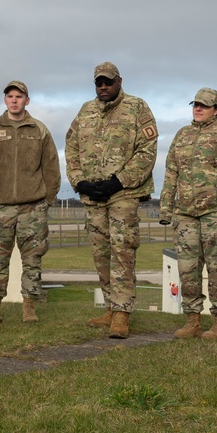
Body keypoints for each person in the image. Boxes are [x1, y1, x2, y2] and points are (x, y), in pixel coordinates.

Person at [65, 62, 157, 339]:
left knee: (122, 252)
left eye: (108, 82)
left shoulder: (137, 107)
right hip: (93, 195)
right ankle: (110, 306)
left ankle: (122, 313)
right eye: (98, 83)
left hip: (123, 194)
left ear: (119, 81)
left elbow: (147, 151)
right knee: (101, 253)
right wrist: (79, 181)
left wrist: (118, 182)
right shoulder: (86, 111)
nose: (103, 87)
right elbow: (71, 148)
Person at [159, 88, 217, 340]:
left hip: (216, 212)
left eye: (204, 106)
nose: (198, 109)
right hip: (185, 213)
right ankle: (192, 319)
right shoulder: (182, 135)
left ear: (216, 109)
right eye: (195, 104)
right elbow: (171, 171)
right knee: (187, 269)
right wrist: (166, 206)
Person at [0, 80, 60, 324]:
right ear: (5, 101)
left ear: (27, 101)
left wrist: (47, 201)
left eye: (19, 96)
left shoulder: (39, 130)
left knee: (32, 260)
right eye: (10, 96)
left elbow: (52, 167)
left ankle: (29, 308)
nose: (14, 100)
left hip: (33, 208)